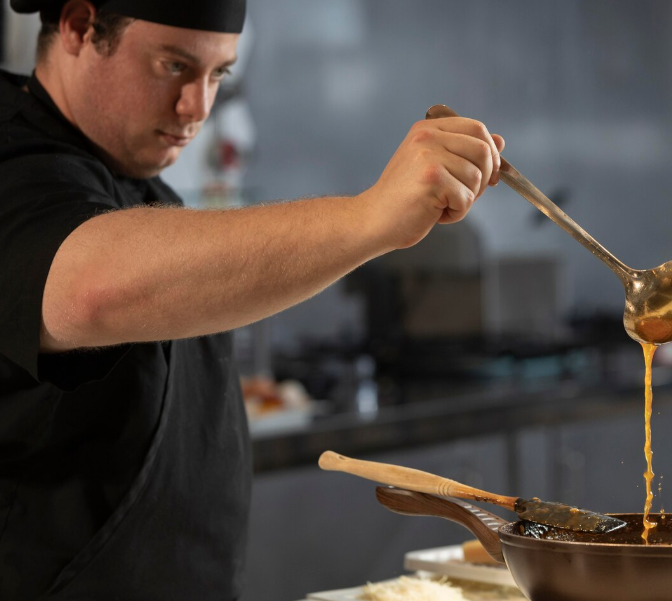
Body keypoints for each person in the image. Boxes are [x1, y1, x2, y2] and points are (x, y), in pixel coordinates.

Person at [0, 0, 504, 598]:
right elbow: (86, 290)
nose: (198, 107)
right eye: (173, 66)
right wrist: (370, 218)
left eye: (218, 75)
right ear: (80, 28)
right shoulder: (14, 164)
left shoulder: (138, 185)